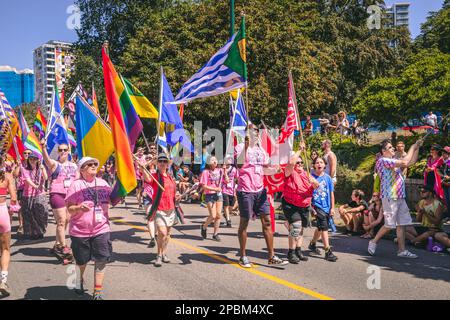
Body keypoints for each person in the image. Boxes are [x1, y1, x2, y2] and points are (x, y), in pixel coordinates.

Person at [235, 125, 288, 267]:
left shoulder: (261, 150)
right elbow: (239, 165)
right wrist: (246, 146)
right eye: (252, 131)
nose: (256, 133)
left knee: (267, 222)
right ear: (246, 134)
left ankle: (271, 256)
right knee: (244, 223)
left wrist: (274, 170)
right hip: (246, 190)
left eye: (257, 131)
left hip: (260, 190)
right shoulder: (240, 147)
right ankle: (243, 256)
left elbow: (265, 169)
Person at [66, 157, 112, 300]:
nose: (93, 166)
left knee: (101, 258)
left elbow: (112, 199)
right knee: (81, 260)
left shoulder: (103, 183)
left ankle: (97, 292)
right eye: (89, 164)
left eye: (94, 164)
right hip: (80, 230)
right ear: (82, 169)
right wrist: (79, 208)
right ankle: (80, 279)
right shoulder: (76, 185)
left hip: (101, 228)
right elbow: (69, 208)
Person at [368, 138, 423, 258]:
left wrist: (417, 148)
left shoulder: (394, 161)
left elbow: (410, 162)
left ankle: (401, 250)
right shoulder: (382, 161)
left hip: (400, 196)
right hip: (389, 196)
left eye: (392, 147)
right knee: (389, 225)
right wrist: (413, 146)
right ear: (383, 151)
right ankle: (373, 241)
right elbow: (404, 162)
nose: (393, 149)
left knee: (401, 224)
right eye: (390, 147)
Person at [41, 140, 78, 256]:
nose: (62, 152)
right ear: (58, 151)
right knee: (61, 221)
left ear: (68, 151)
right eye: (60, 150)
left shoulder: (74, 166)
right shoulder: (55, 164)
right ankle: (64, 247)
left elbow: (77, 180)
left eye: (65, 150)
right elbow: (47, 160)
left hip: (70, 195)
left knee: (66, 220)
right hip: (57, 194)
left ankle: (57, 243)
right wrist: (43, 148)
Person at [282, 150, 319, 264]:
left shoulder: (306, 173)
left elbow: (316, 185)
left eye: (301, 162)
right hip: (291, 204)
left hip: (304, 205)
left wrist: (315, 184)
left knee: (301, 229)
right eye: (298, 163)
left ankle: (298, 250)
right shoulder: (289, 172)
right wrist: (300, 150)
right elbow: (291, 163)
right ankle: (291, 252)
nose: (299, 164)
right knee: (296, 227)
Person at [145, 153, 181, 267]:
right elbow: (146, 176)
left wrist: (178, 195)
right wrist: (146, 165)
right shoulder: (155, 176)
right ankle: (159, 255)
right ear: (157, 164)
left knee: (168, 234)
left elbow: (174, 191)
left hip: (170, 209)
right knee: (162, 232)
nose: (162, 163)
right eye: (160, 161)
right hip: (159, 209)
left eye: (164, 161)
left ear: (167, 164)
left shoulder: (170, 177)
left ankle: (164, 253)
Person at [308, 157, 338, 262]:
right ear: (314, 165)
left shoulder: (328, 178)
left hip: (327, 206)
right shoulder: (310, 178)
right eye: (317, 162)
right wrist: (311, 207)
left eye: (321, 162)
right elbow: (308, 194)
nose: (319, 164)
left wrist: (332, 208)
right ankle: (327, 251)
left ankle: (312, 243)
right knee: (324, 227)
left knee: (320, 227)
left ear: (325, 165)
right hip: (317, 205)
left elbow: (331, 194)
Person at [405, 185, 449, 249]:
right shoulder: (421, 202)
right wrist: (420, 212)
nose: (421, 193)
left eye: (424, 191)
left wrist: (425, 213)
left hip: (434, 229)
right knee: (404, 229)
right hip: (424, 227)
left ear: (430, 193)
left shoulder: (437, 204)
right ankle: (417, 242)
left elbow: (437, 222)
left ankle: (412, 241)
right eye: (421, 191)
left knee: (428, 234)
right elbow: (418, 220)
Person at [0, 157, 19, 297]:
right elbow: (13, 199)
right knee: (5, 249)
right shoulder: (7, 177)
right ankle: (3, 281)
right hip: (2, 213)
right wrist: (11, 212)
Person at [21, 152, 48, 240]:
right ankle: (32, 233)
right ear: (28, 160)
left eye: (34, 159)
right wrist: (35, 186)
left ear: (37, 160)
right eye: (31, 159)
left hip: (40, 194)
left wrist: (42, 169)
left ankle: (40, 230)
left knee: (41, 214)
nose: (32, 160)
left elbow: (46, 177)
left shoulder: (40, 168)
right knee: (29, 215)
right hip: (28, 195)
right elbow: (28, 180)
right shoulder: (25, 169)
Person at [200, 156, 224, 241]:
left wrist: (225, 172)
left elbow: (227, 181)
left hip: (218, 195)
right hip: (209, 195)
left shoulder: (220, 171)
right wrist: (214, 189)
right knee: (213, 215)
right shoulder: (205, 172)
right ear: (208, 163)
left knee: (218, 215)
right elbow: (204, 186)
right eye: (212, 160)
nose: (214, 161)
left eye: (215, 160)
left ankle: (215, 233)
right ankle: (204, 227)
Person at [222, 156, 238, 228]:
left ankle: (226, 214)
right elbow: (226, 180)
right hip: (224, 189)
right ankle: (228, 221)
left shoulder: (234, 169)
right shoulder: (221, 170)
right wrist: (224, 170)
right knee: (226, 205)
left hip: (232, 190)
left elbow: (237, 178)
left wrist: (236, 186)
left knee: (231, 206)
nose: (228, 162)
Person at [438, 146, 450, 218]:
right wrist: (443, 176)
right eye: (442, 152)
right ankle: (449, 216)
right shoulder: (442, 162)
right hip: (445, 184)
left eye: (444, 152)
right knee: (447, 201)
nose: (442, 154)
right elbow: (437, 170)